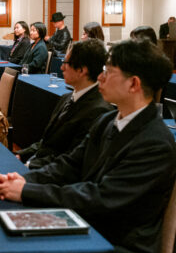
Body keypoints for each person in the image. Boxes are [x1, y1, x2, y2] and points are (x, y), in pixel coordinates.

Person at [0, 39, 176, 253]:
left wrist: (26, 191)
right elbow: (69, 165)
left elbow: (100, 198)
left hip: (116, 248)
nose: (100, 77)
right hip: (89, 224)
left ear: (134, 84)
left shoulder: (154, 143)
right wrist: (23, 179)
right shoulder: (108, 120)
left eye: (109, 72)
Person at [15, 39, 113, 169]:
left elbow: (70, 160)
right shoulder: (66, 97)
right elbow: (47, 142)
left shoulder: (98, 111)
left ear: (81, 70)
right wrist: (21, 155)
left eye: (65, 63)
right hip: (40, 163)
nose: (61, 68)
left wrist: (29, 165)